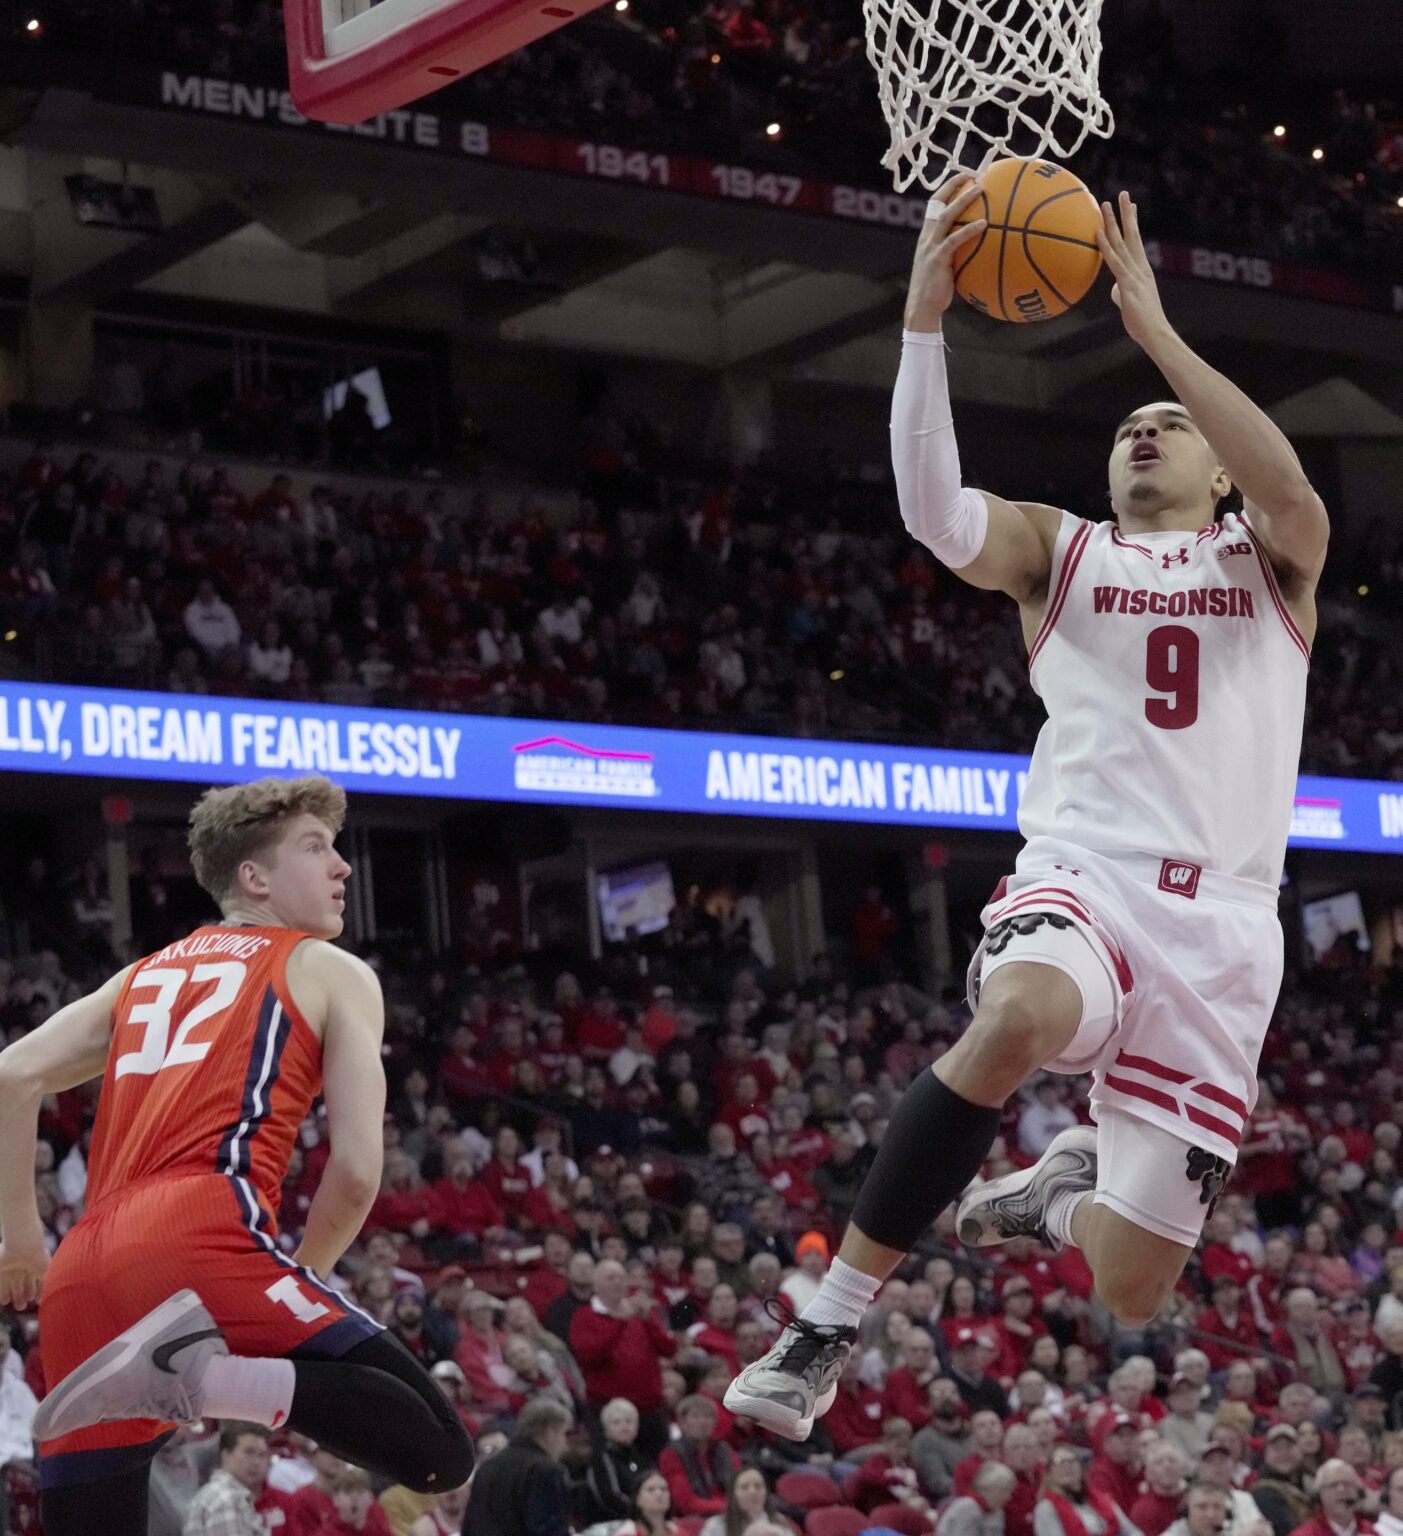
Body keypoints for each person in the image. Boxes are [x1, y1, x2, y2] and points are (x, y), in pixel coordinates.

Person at [727, 181, 1326, 1439]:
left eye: (1169, 426)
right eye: (1127, 427)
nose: (1145, 434)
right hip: (1086, 872)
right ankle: (822, 1324)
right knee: (1019, 1016)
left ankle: (1062, 1193)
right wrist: (920, 326)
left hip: (1223, 929)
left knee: (1129, 1290)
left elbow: (1294, 499)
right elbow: (933, 516)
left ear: (1217, 467)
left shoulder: (1266, 562)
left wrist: (1157, 336)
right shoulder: (1064, 551)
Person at [0, 777, 474, 1534]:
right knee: (437, 1452)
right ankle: (198, 1376)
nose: (343, 867)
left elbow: (11, 1074)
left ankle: (182, 1375)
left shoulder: (141, 974)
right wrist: (304, 1277)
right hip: (202, 1238)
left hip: (80, 1269)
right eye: (316, 848)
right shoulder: (330, 969)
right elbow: (353, 1175)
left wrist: (21, 1236)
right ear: (253, 877)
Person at [462, 1398, 573, 1536]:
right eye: (564, 1434)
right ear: (550, 1431)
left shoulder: (487, 1467)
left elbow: (470, 1525)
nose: (565, 1444)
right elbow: (549, 1529)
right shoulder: (545, 1470)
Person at [182, 1422, 271, 1536]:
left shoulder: (217, 1493)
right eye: (249, 1452)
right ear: (226, 1454)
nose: (256, 1462)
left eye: (262, 1455)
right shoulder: (228, 1499)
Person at [1035, 1447, 1139, 1536]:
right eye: (1059, 1462)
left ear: (1081, 1468)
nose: (1067, 1466)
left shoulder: (1102, 1498)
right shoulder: (1046, 1509)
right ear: (1049, 1473)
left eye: (1072, 1461)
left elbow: (1131, 1531)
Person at [585, 1398, 646, 1522]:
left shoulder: (639, 1455)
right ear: (606, 1428)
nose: (624, 1427)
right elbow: (610, 1496)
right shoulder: (602, 1457)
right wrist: (641, 1512)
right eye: (616, 1422)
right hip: (612, 1522)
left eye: (629, 1421)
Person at [699, 1465, 797, 1536]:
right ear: (733, 1495)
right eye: (744, 1487)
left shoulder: (779, 1520)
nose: (752, 1492)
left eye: (758, 1486)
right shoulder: (715, 1526)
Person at [1287, 1460, 1369, 1536]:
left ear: (1358, 1492)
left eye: (1347, 1484)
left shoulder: (1371, 1531)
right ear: (1320, 1494)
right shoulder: (1304, 1534)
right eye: (1333, 1485)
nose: (1341, 1490)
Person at [941, 1461, 1019, 1536]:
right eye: (1003, 1491)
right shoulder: (966, 1508)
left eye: (1009, 1492)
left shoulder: (997, 1513)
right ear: (988, 1487)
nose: (1008, 1497)